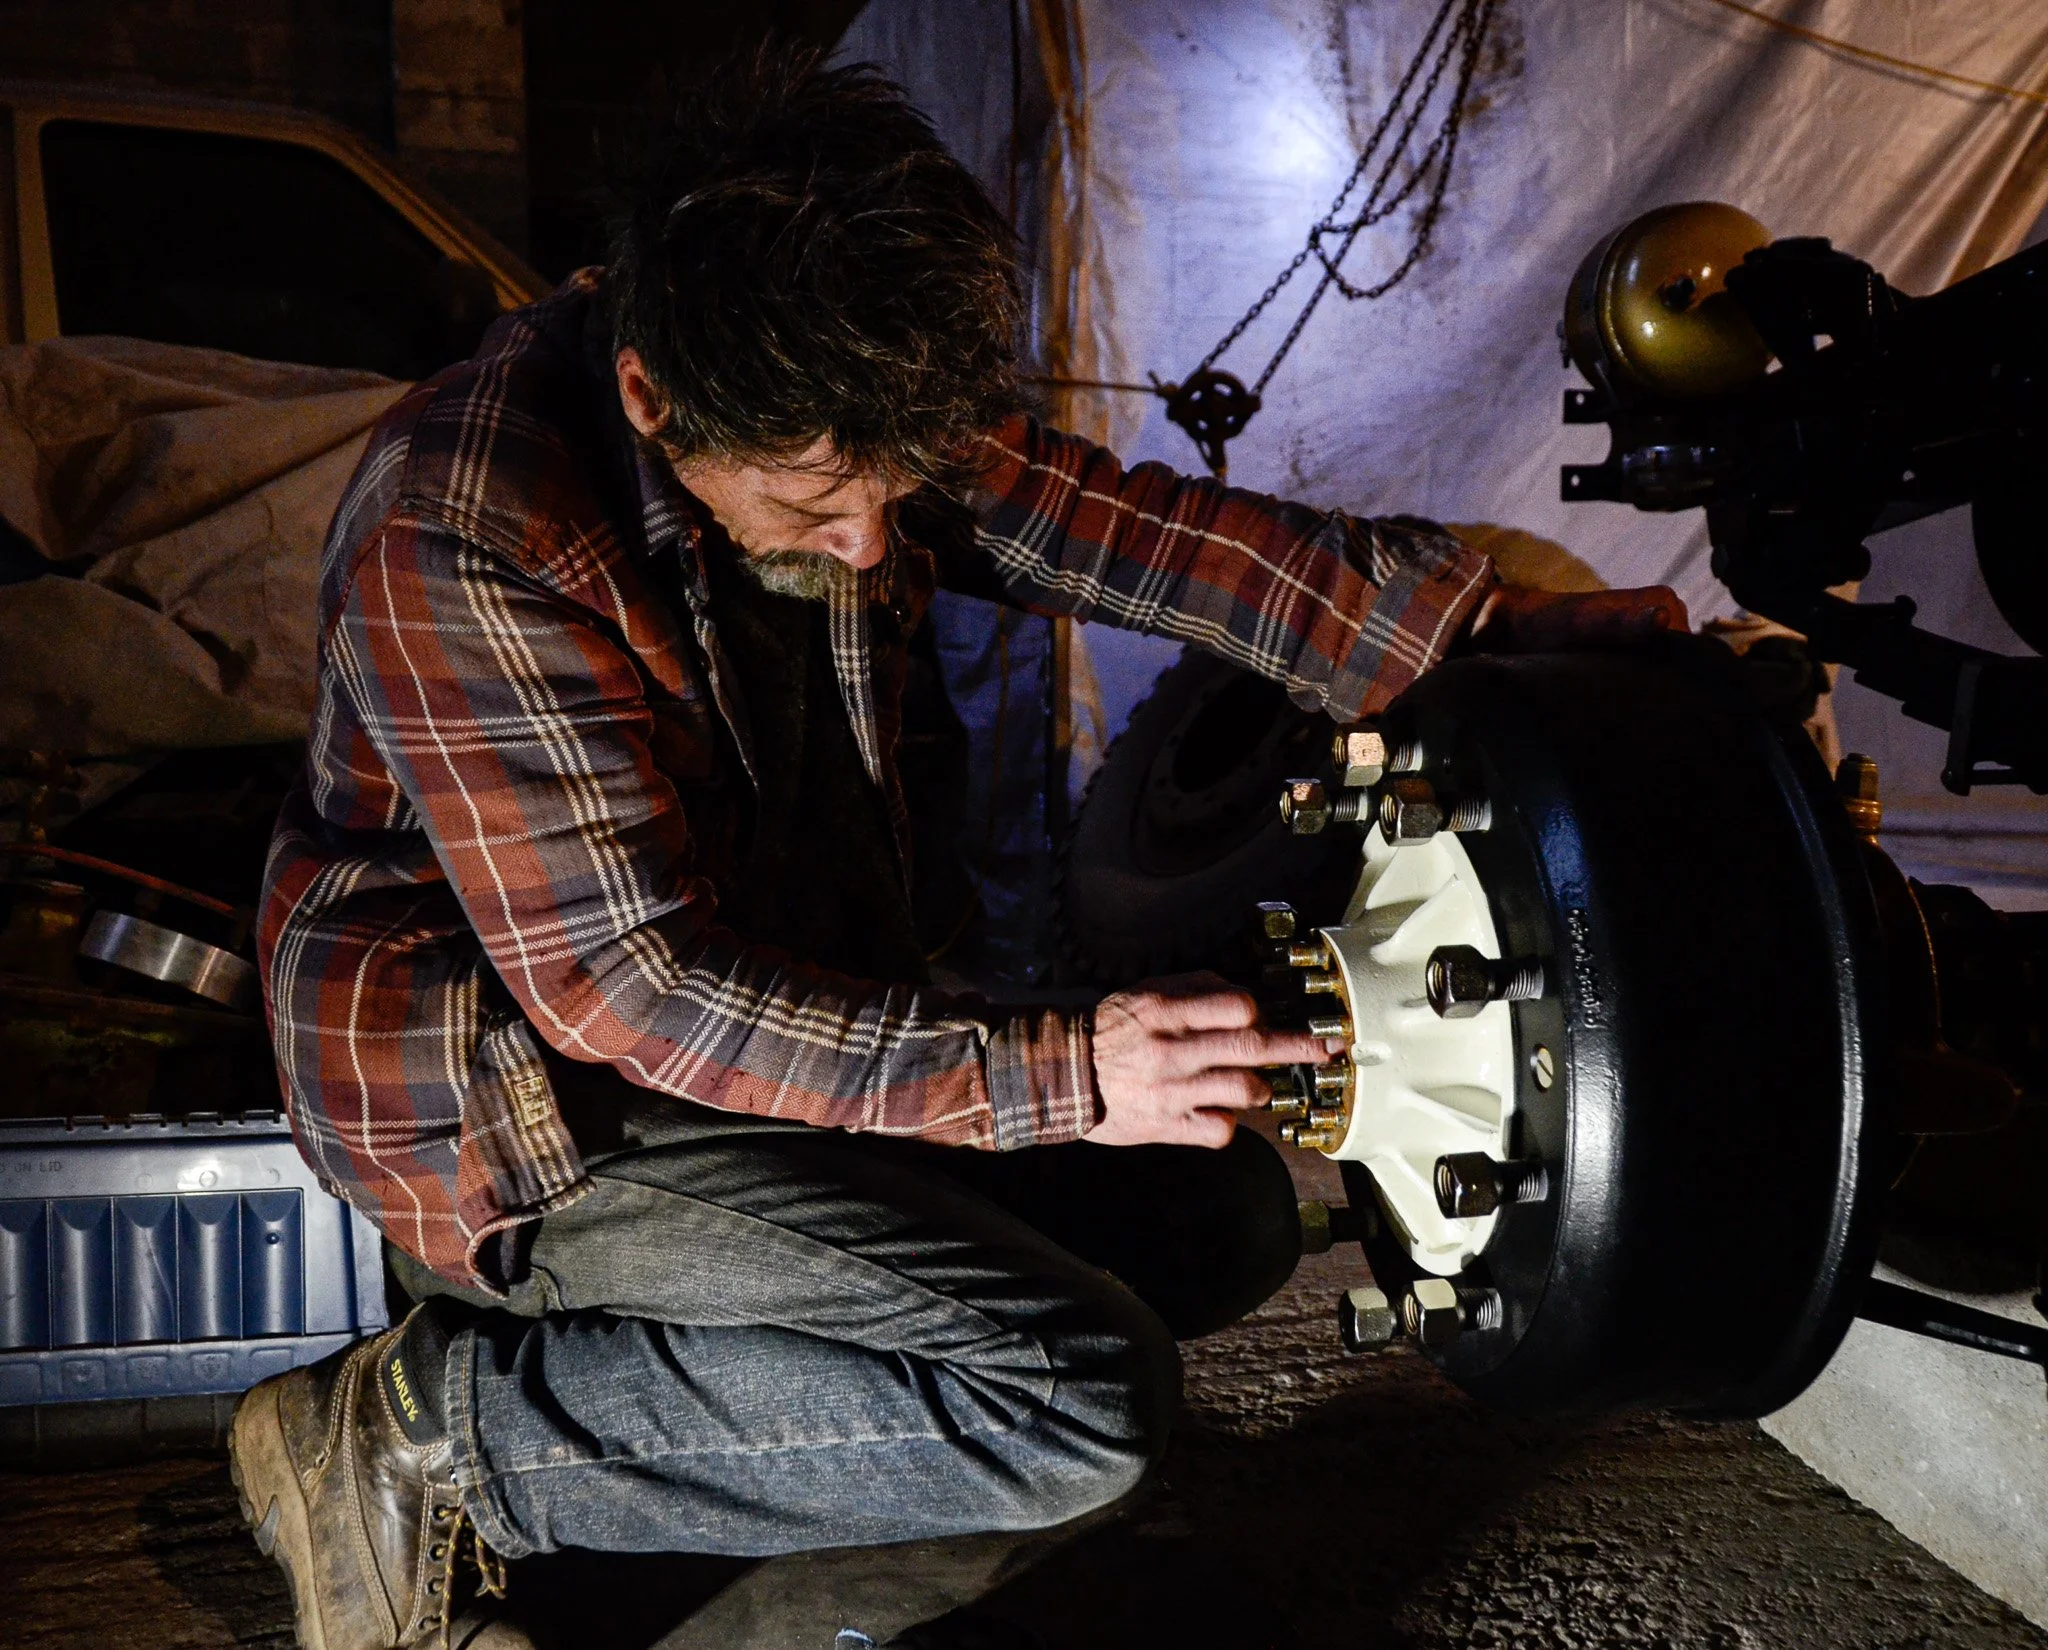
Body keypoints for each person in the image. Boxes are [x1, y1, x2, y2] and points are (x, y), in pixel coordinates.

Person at [229, 48, 1685, 1650]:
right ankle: (436, 1431)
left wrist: (1479, 630)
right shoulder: (468, 526)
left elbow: (1130, 533)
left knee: (1222, 1219)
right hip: (525, 1107)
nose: (873, 538)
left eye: (896, 488)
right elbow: (628, 992)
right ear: (653, 397)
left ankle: (700, 1378)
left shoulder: (815, 378)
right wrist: (1060, 1068)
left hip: (755, 1023)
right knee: (1079, 1400)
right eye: (817, 501)